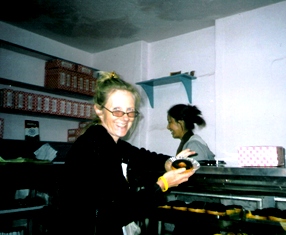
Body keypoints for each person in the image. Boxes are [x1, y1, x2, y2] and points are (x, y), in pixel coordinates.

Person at [58, 71, 196, 235]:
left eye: (130, 111)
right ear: (99, 110)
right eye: (117, 111)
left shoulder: (111, 142)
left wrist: (169, 161)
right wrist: (162, 185)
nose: (125, 118)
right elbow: (119, 212)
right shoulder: (94, 147)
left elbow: (144, 156)